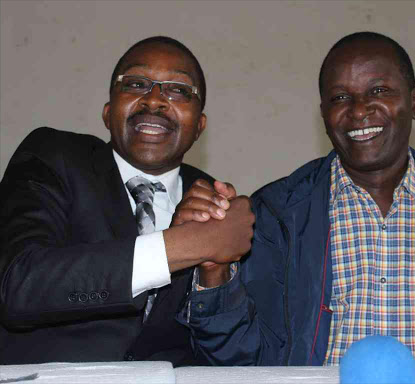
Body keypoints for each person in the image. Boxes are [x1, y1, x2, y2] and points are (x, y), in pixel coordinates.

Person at [176, 32, 415, 366]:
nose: (359, 110)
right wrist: (216, 275)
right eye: (340, 98)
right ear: (323, 113)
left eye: (378, 91)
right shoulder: (276, 214)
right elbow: (242, 358)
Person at [0, 36, 254, 365]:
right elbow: (19, 285)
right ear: (108, 113)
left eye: (178, 89)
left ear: (200, 126)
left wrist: (214, 274)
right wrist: (183, 246)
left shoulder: (215, 205)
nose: (154, 100)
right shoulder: (54, 157)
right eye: (135, 84)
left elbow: (231, 358)